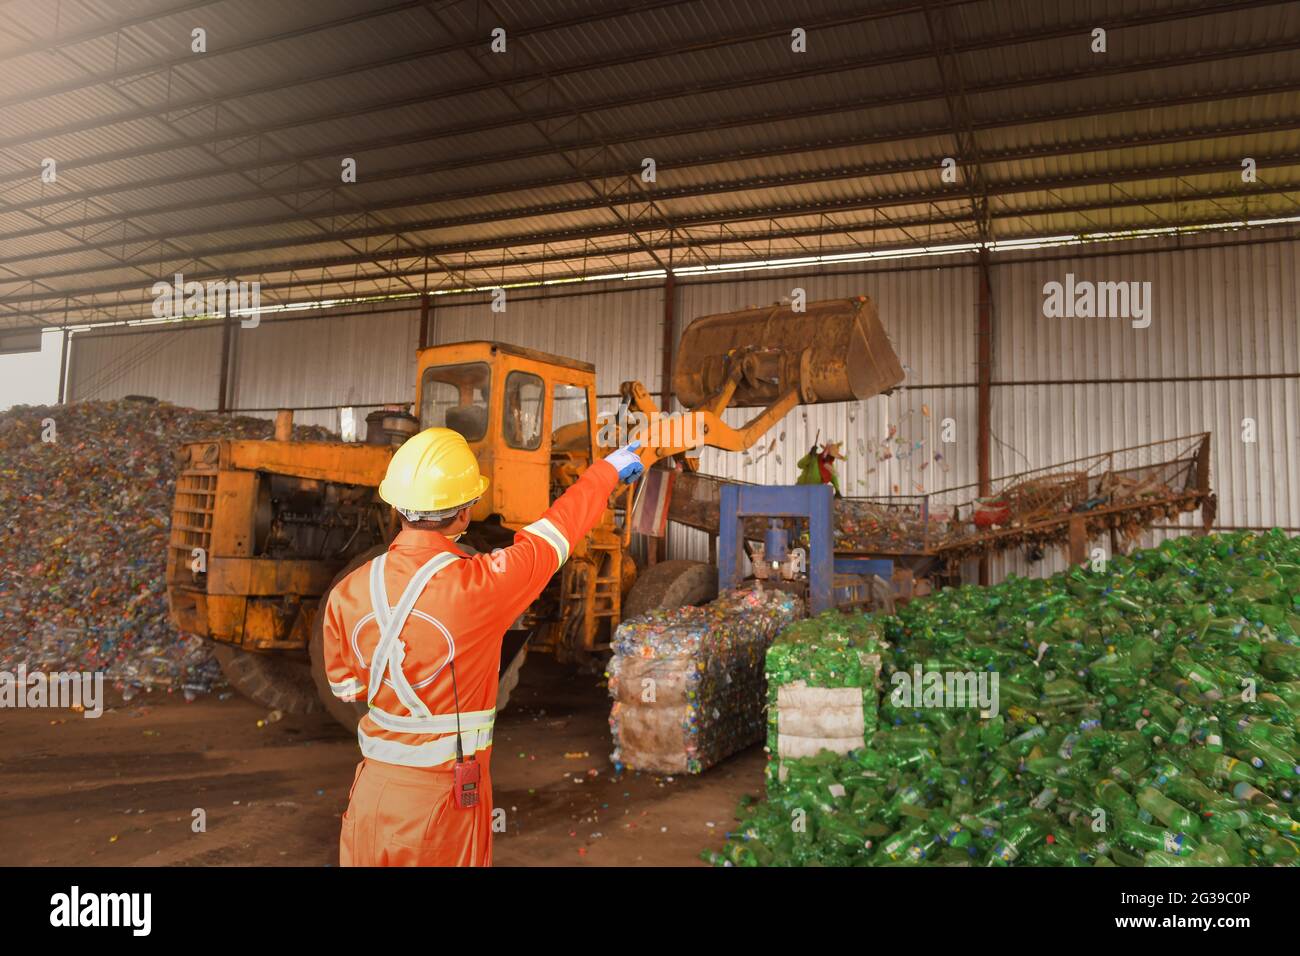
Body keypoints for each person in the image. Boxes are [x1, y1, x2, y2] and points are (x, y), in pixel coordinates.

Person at [321, 427, 644, 866]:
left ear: (395, 506)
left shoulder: (346, 591)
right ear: (466, 512)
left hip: (369, 797)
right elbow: (556, 533)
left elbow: (348, 689)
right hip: (441, 804)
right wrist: (604, 473)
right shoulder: (480, 585)